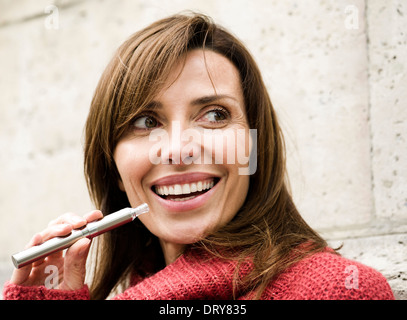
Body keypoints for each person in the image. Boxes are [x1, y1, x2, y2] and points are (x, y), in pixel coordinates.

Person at [3, 13, 394, 300]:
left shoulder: (337, 291)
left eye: (214, 115)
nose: (177, 150)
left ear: (254, 149)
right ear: (116, 170)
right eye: (144, 121)